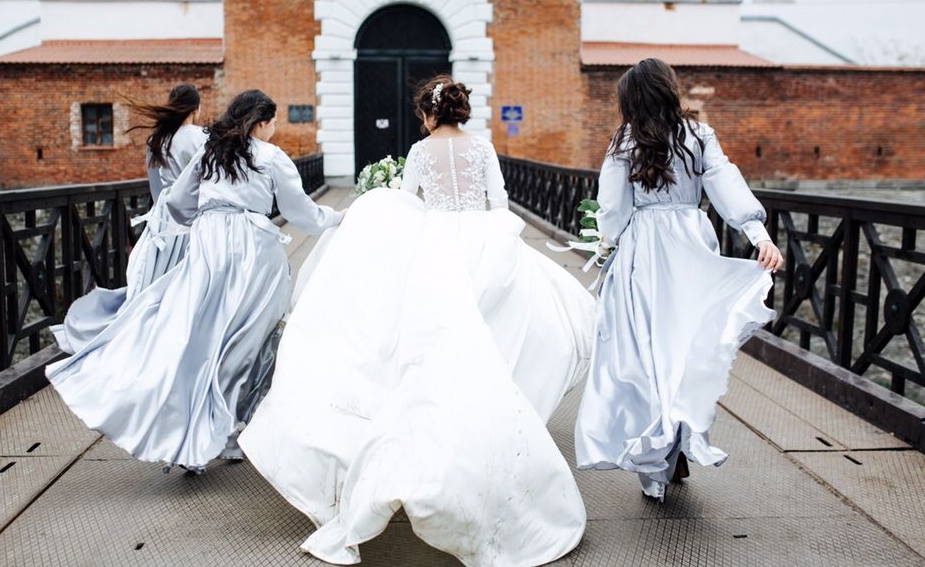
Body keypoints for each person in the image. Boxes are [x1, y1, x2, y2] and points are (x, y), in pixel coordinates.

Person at [239, 76, 593, 565]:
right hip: (486, 249)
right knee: (495, 337)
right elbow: (499, 203)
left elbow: (410, 205)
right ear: (461, 110)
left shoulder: (422, 153)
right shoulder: (484, 148)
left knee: (429, 345)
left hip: (437, 250)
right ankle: (490, 428)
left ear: (428, 114)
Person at [46, 89, 342, 471]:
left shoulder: (210, 152)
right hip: (253, 254)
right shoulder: (271, 157)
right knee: (248, 336)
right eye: (273, 123)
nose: (274, 131)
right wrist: (337, 217)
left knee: (197, 335)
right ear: (261, 123)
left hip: (207, 249)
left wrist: (208, 220)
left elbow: (176, 204)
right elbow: (301, 213)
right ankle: (229, 431)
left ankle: (189, 425)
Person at [574, 58, 784, 502]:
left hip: (644, 253)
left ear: (630, 99)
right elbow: (726, 183)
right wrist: (757, 234)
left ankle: (656, 459)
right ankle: (678, 438)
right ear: (669, 90)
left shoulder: (625, 141)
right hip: (691, 244)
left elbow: (612, 208)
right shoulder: (699, 135)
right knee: (686, 348)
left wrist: (607, 246)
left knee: (647, 355)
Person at [51, 84, 206, 355]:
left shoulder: (157, 139)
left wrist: (161, 215)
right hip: (194, 219)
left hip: (164, 221)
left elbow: (156, 187)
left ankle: (156, 333)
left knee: (156, 283)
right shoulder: (200, 137)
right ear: (196, 109)